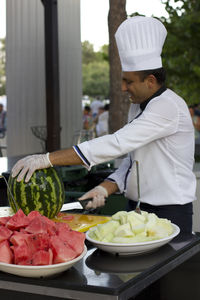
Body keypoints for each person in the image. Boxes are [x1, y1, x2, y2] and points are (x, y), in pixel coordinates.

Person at [11, 16, 196, 233]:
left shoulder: (168, 106)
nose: (123, 87)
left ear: (151, 81)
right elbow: (132, 161)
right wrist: (104, 189)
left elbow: (117, 143)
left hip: (170, 213)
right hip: (137, 210)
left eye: (129, 81)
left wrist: (48, 159)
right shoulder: (138, 106)